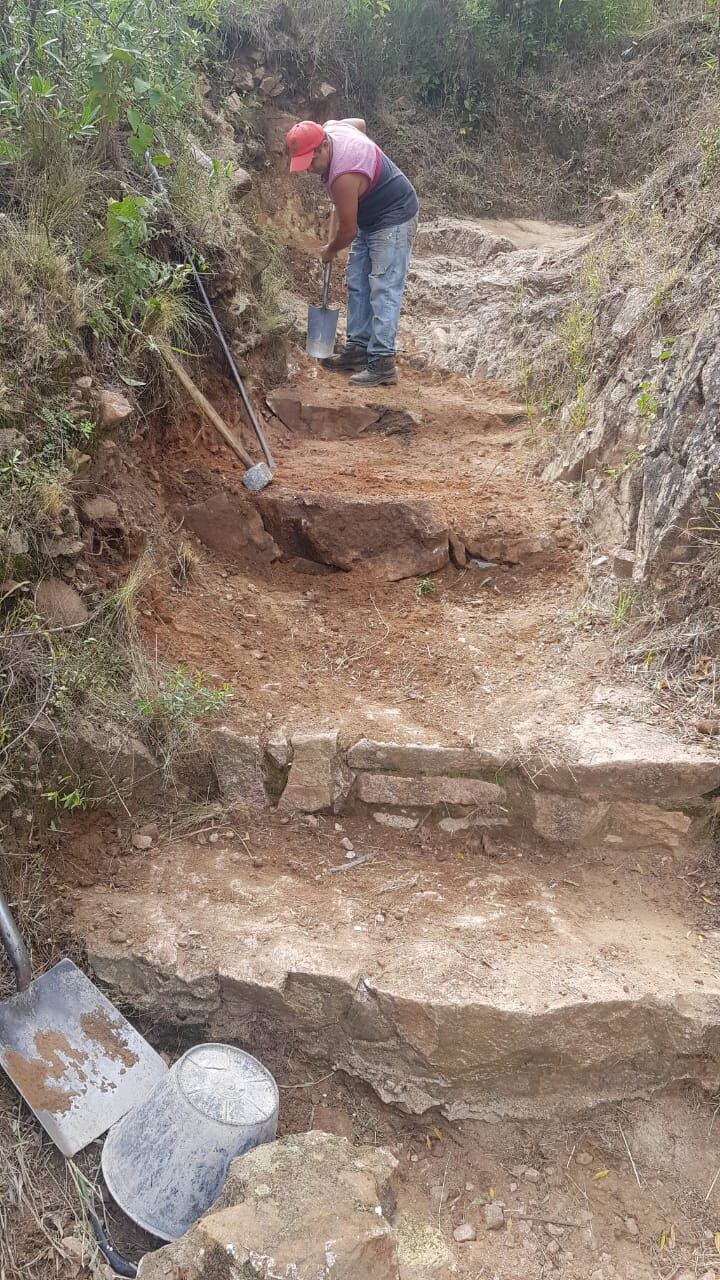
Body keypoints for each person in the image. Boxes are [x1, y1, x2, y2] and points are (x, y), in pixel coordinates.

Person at [286, 117, 419, 388]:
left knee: (383, 287)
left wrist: (330, 249)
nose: (309, 170)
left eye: (311, 162)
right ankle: (358, 349)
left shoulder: (343, 177)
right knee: (357, 282)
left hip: (394, 213)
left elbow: (347, 232)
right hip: (369, 215)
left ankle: (382, 363)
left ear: (324, 146)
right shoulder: (333, 127)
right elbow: (359, 123)